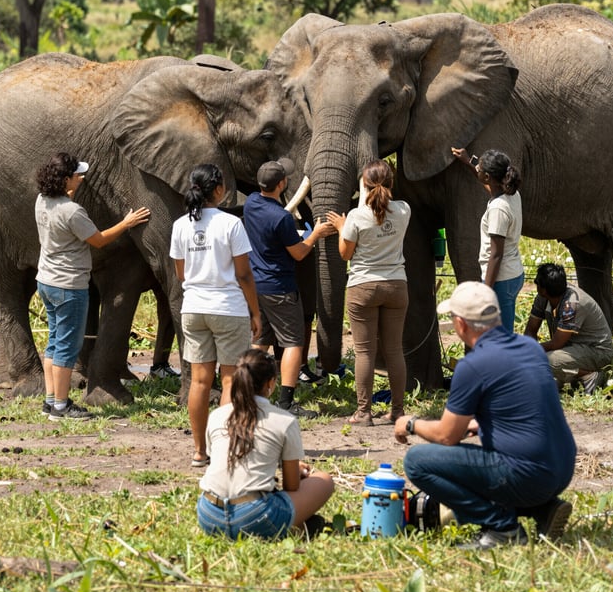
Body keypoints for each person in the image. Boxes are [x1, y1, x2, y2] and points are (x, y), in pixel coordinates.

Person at [395, 282, 576, 550]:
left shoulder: (472, 365)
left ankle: (502, 527)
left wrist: (410, 423)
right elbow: (524, 406)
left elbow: (447, 436)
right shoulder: (530, 348)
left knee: (417, 462)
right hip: (562, 468)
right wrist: (484, 422)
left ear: (461, 324)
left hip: (527, 473)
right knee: (492, 466)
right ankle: (542, 509)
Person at [35, 152, 150, 420]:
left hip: (47, 281)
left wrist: (69, 194)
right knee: (66, 345)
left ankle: (51, 400)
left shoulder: (43, 201)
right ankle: (61, 407)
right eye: (77, 175)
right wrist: (126, 223)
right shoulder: (73, 211)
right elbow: (98, 240)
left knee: (54, 341)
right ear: (65, 180)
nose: (82, 177)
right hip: (69, 285)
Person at [170, 164, 261, 467]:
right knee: (231, 380)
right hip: (228, 309)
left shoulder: (181, 225)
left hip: (193, 309)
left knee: (199, 382)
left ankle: (198, 452)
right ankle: (223, 450)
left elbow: (181, 274)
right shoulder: (231, 224)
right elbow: (245, 274)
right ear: (219, 190)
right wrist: (255, 312)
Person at [197, 349, 334, 540]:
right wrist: (293, 470)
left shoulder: (217, 415)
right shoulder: (284, 420)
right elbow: (292, 486)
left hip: (208, 515)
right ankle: (291, 525)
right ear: (270, 383)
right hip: (254, 517)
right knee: (324, 481)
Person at [243, 158, 335, 418]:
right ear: (282, 184)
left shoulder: (251, 204)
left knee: (259, 342)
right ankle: (285, 402)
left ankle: (248, 395)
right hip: (281, 288)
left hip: (257, 286)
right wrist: (315, 234)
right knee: (293, 343)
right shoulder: (281, 217)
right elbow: (298, 253)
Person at [327, 159, 411, 426]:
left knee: (365, 352)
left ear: (364, 186)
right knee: (394, 349)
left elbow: (345, 254)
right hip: (396, 285)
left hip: (363, 286)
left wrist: (342, 229)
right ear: (391, 183)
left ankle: (364, 412)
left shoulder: (355, 216)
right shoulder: (404, 210)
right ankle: (397, 411)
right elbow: (383, 209)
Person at [451, 147, 524, 332]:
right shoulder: (511, 193)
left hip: (501, 279)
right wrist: (470, 162)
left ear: (488, 177)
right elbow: (489, 185)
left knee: (501, 335)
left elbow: (496, 254)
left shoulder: (498, 209)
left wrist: (487, 291)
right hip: (513, 272)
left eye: (481, 169)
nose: (479, 170)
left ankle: (506, 361)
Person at [524, 263, 613, 393]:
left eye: (537, 282)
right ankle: (568, 378)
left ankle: (588, 375)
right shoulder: (543, 297)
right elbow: (531, 329)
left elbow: (556, 343)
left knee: (545, 361)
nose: (535, 284)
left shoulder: (572, 303)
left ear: (543, 289)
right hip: (570, 348)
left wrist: (530, 352)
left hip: (596, 351)